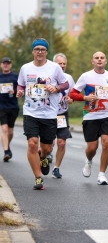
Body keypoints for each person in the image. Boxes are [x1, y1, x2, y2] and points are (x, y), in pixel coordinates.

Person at [16, 38, 69, 190]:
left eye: (43, 49)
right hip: (30, 112)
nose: (40, 52)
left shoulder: (54, 68)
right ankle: (38, 177)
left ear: (46, 52)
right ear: (33, 51)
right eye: (37, 49)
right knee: (32, 143)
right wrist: (20, 91)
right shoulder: (25, 68)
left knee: (47, 148)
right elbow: (21, 83)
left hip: (49, 113)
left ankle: (44, 157)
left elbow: (65, 83)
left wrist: (57, 88)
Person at [70, 51, 108, 185]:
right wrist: (85, 97)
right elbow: (73, 93)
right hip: (90, 116)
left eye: (102, 58)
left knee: (106, 143)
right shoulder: (86, 76)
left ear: (106, 61)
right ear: (92, 61)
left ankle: (102, 174)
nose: (99, 60)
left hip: (107, 115)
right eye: (96, 58)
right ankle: (88, 161)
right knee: (92, 148)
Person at [51, 53, 75, 179]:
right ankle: (45, 154)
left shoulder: (68, 78)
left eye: (64, 63)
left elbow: (73, 94)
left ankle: (56, 168)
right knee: (49, 144)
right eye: (59, 63)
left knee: (61, 142)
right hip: (48, 114)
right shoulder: (49, 76)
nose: (62, 66)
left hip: (61, 114)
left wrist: (71, 99)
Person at [0, 57, 19, 162]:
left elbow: (21, 89)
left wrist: (15, 91)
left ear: (10, 65)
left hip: (13, 106)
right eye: (4, 63)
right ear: (1, 65)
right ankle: (6, 151)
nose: (6, 65)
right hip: (1, 107)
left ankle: (7, 145)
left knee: (10, 132)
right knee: (4, 129)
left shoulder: (15, 76)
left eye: (8, 63)